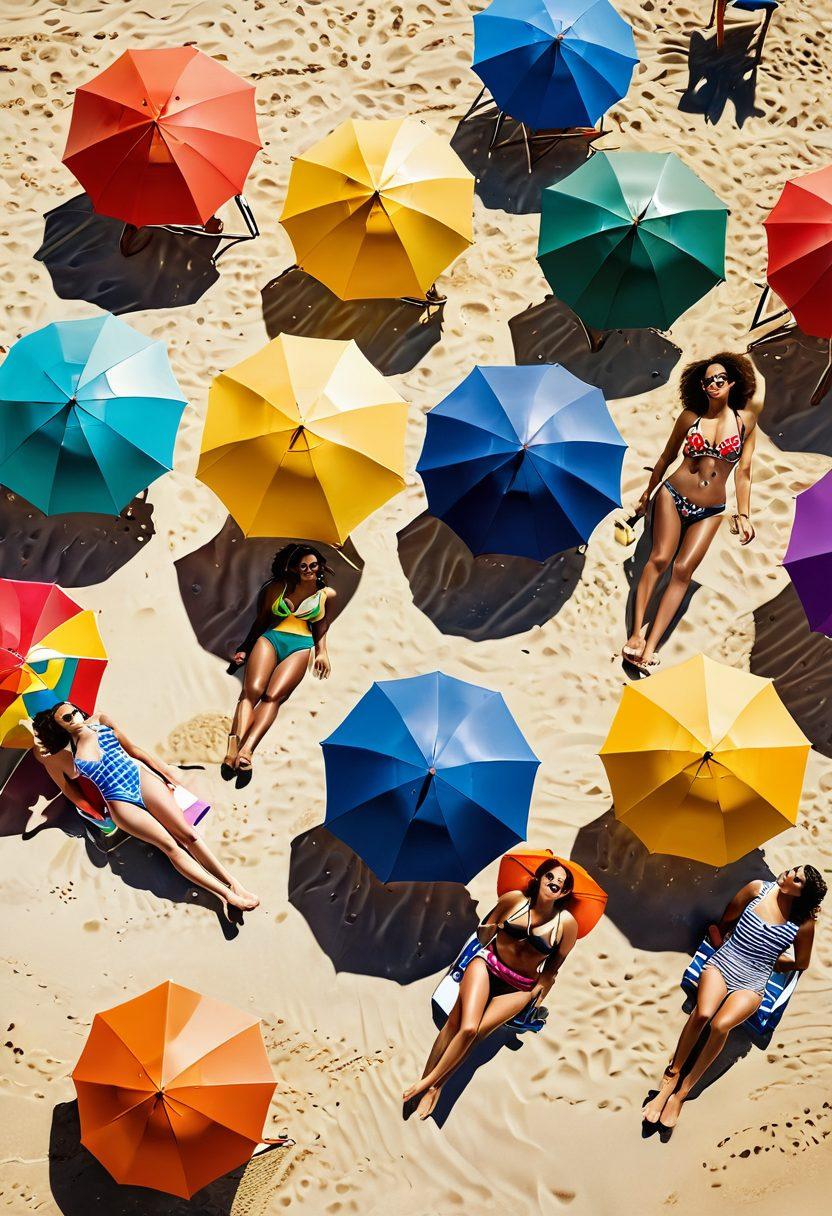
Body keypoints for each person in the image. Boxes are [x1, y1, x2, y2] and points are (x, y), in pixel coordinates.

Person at [644, 866, 827, 1138]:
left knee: (720, 1026)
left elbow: (801, 962)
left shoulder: (802, 925)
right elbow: (728, 917)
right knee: (703, 1014)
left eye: (796, 878)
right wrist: (721, 940)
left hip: (753, 983)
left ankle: (682, 1093)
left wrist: (774, 961)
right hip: (723, 964)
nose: (788, 874)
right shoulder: (757, 889)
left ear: (802, 894)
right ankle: (671, 1076)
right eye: (792, 870)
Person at [30, 704, 259, 918]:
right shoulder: (64, 755)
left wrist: (168, 777)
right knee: (170, 847)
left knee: (188, 836)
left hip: (140, 780)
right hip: (118, 802)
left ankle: (234, 884)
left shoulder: (100, 721)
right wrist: (94, 813)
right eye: (67, 718)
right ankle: (226, 896)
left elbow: (135, 752)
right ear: (60, 726)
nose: (75, 718)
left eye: (75, 712)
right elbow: (68, 790)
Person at [403, 860, 579, 1121]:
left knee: (475, 1034)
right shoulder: (514, 900)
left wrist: (534, 996)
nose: (553, 883)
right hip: (487, 965)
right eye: (549, 876)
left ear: (564, 893)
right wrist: (494, 927)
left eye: (560, 884)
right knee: (460, 1025)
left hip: (519, 986)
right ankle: (425, 1082)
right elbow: (483, 935)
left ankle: (433, 1086)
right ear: (539, 877)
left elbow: (551, 971)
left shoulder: (566, 924)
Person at [623, 354, 758, 674]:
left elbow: (744, 472)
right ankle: (634, 635)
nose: (714, 384)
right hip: (673, 495)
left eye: (720, 379)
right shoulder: (690, 418)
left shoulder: (745, 422)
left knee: (683, 570)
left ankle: (652, 645)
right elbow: (666, 457)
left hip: (711, 509)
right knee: (659, 559)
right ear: (701, 385)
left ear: (732, 382)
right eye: (709, 380)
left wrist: (745, 513)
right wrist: (647, 494)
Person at [222, 544, 338, 787]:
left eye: (313, 565)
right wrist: (245, 647)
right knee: (251, 692)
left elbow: (322, 625)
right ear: (295, 567)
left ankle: (246, 752)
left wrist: (322, 652)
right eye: (303, 566)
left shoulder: (327, 594)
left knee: (273, 696)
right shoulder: (278, 587)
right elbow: (261, 620)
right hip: (271, 638)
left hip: (301, 646)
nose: (308, 570)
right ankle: (233, 748)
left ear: (319, 567)